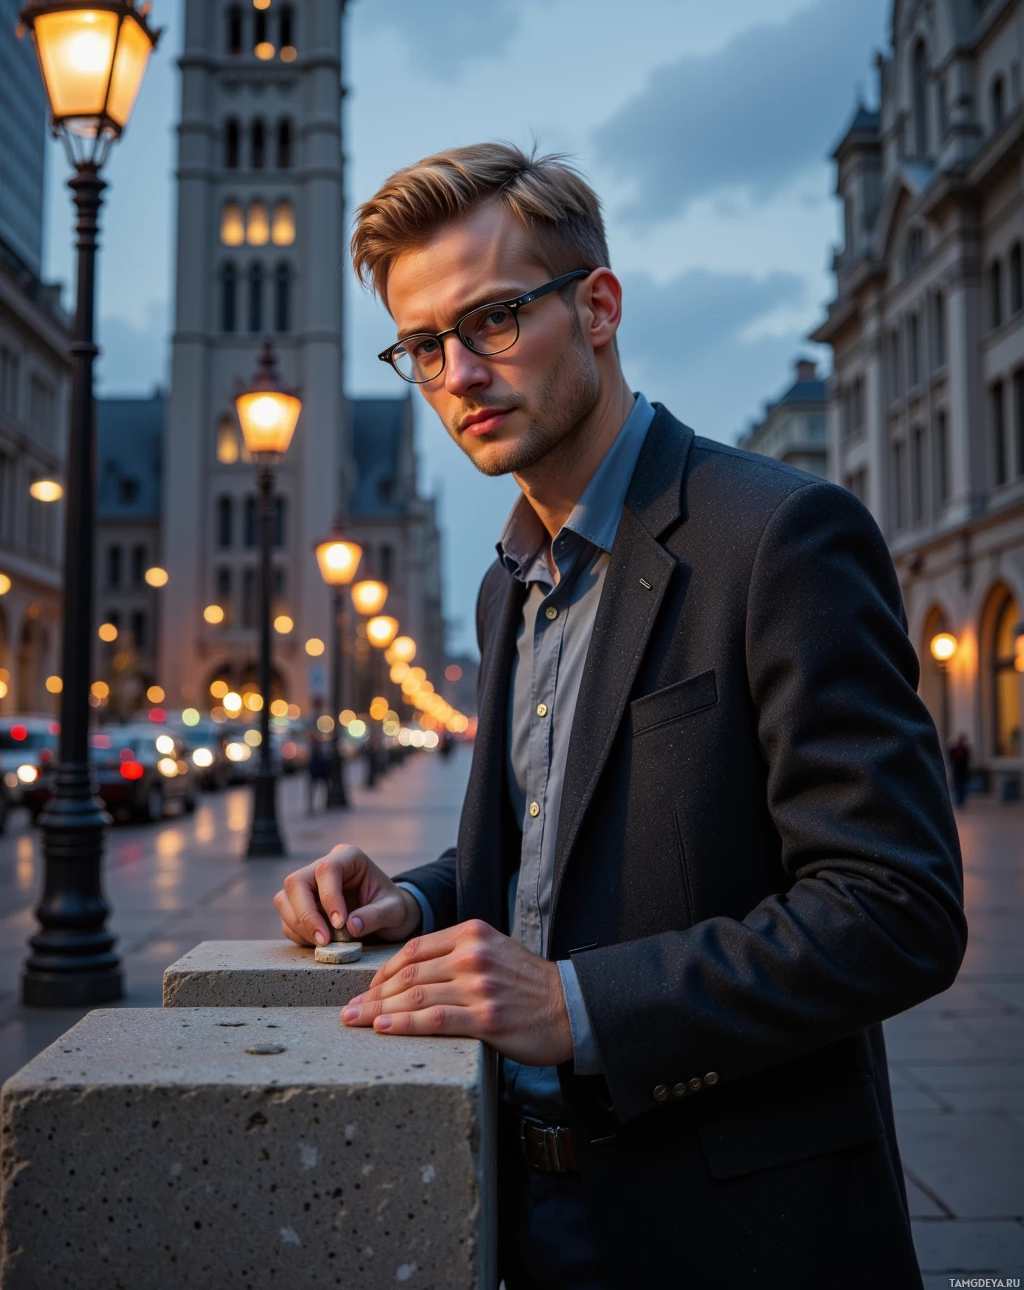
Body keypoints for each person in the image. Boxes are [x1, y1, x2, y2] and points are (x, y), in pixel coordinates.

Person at [274, 144, 966, 1290]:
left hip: (741, 1233)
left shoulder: (778, 534)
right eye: (423, 346)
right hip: (523, 1211)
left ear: (597, 306)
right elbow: (554, 837)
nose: (456, 373)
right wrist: (415, 897)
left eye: (492, 320)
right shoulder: (512, 583)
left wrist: (576, 1004)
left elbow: (894, 909)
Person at [948, 732, 972, 808]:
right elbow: (950, 757)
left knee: (962, 787)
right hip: (957, 772)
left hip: (963, 772)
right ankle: (958, 801)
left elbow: (968, 760)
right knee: (957, 787)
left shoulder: (965, 750)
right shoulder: (954, 749)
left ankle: (961, 801)